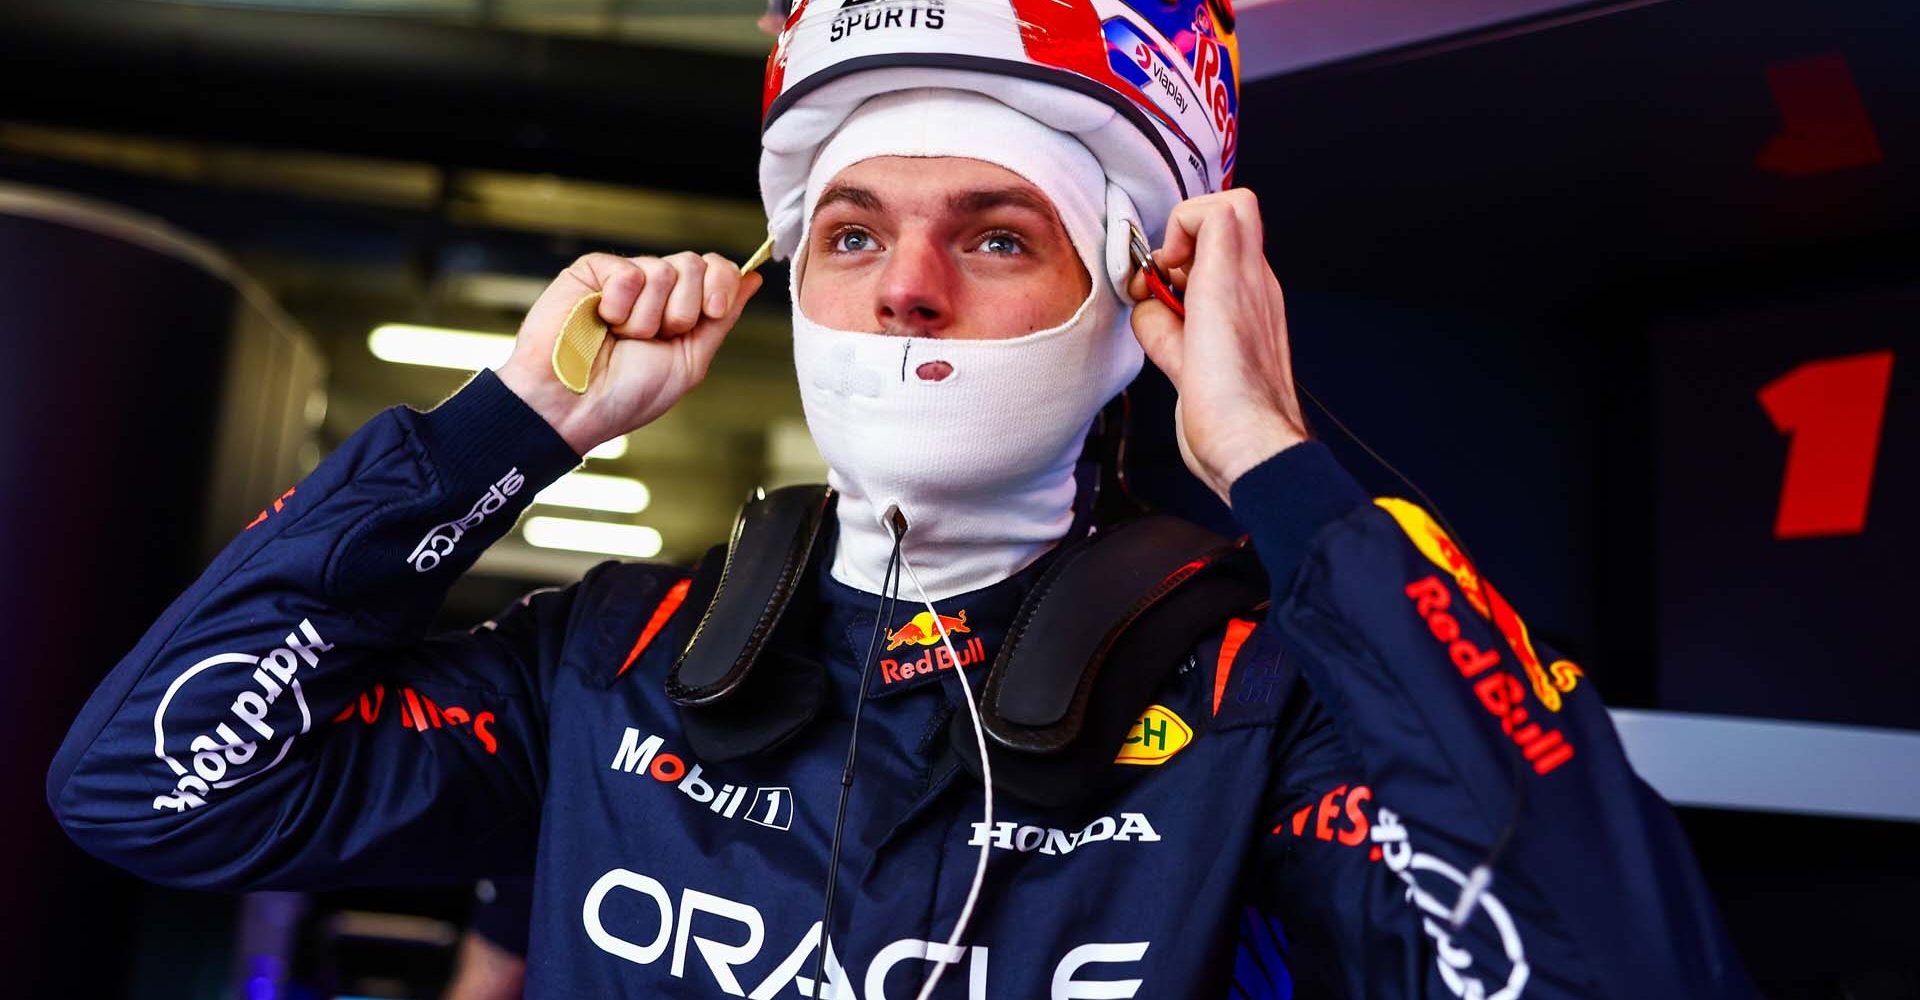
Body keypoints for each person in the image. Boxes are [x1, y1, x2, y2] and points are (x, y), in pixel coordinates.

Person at [48, 2, 1753, 997]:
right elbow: (149, 789)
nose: (906, 289)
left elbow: (1613, 969)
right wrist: (503, 427)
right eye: (853, 232)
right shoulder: (623, 656)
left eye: (996, 235)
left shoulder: (1256, 700)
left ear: (1138, 303)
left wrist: (1276, 463)